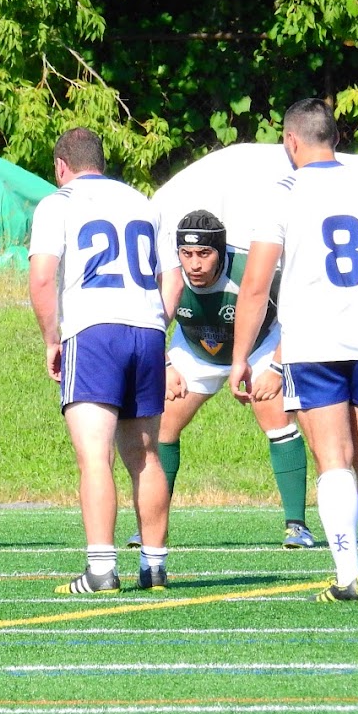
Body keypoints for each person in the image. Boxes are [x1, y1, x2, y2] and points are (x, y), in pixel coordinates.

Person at [229, 98, 358, 601]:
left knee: (333, 457)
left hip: (314, 341)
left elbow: (255, 285)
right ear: (336, 138)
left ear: (290, 140)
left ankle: (347, 577)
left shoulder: (284, 192)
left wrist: (240, 358)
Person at [28, 127, 171, 594]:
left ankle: (101, 569)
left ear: (61, 166)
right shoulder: (142, 202)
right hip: (146, 329)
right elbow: (171, 276)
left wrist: (52, 339)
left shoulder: (58, 203)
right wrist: (157, 321)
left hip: (93, 331)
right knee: (145, 454)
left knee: (95, 456)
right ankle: (154, 565)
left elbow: (42, 278)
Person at [144, 210, 313, 549]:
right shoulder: (168, 273)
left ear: (221, 251)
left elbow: (300, 315)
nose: (195, 264)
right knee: (161, 421)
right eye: (187, 253)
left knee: (274, 416)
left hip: (259, 345)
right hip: (195, 348)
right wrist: (165, 364)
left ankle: (297, 526)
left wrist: (276, 367)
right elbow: (144, 319)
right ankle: (152, 527)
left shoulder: (251, 268)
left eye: (204, 254)